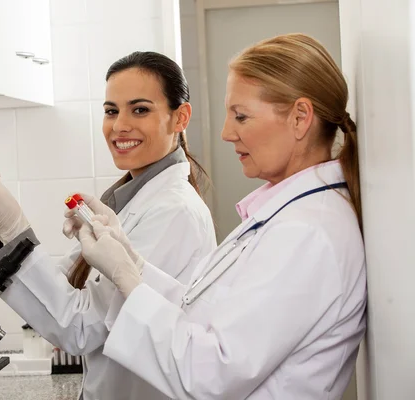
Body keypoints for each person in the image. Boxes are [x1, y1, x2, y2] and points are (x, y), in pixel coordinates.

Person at [74, 33, 367, 399]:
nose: (227, 133)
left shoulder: (308, 232)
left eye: (241, 116)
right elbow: (199, 311)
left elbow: (208, 373)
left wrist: (127, 279)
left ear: (300, 118)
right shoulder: (287, 217)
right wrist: (130, 262)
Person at [0, 51, 217, 399]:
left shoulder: (173, 212)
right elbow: (69, 292)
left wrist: (13, 227)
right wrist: (9, 232)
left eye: (139, 109)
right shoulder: (133, 201)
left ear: (180, 118)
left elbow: (80, 327)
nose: (119, 125)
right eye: (111, 111)